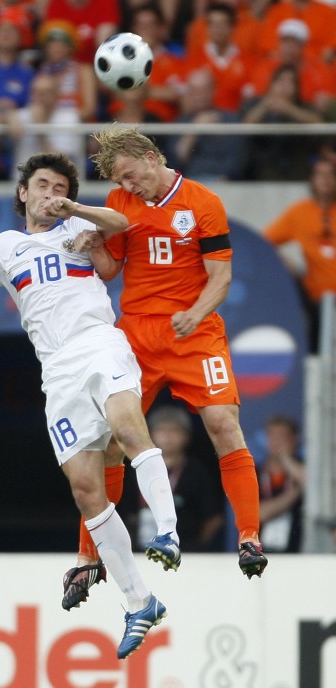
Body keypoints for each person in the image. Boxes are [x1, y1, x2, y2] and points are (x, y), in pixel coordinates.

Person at [0, 151, 177, 660]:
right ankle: (140, 601)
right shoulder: (6, 247)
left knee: (128, 429)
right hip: (57, 369)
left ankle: (167, 532)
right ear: (23, 193)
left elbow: (120, 222)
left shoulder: (78, 228)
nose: (51, 194)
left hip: (98, 342)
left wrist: (76, 210)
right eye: (43, 186)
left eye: (60, 188)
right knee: (86, 488)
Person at [69, 125, 268, 603]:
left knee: (224, 425)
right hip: (137, 334)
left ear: (150, 156)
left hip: (193, 332)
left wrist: (195, 313)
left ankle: (249, 536)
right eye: (121, 180)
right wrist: (94, 245)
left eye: (131, 175)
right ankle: (89, 556)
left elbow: (220, 277)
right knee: (111, 442)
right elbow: (112, 270)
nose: (129, 185)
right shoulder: (119, 202)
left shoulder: (202, 202)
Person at [263, 157, 336, 352]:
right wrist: (284, 262)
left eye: (330, 174)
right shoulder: (300, 212)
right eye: (319, 174)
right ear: (312, 179)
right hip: (316, 295)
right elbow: (265, 242)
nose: (325, 179)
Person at [128, 405, 225, 553]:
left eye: (174, 430)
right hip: (138, 551)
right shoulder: (137, 468)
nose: (167, 436)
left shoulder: (197, 472)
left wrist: (196, 547)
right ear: (150, 434)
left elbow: (214, 517)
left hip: (187, 552)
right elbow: (126, 512)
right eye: (161, 430)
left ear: (186, 436)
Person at [240, 63, 323, 181]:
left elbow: (318, 122)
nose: (285, 86)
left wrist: (288, 108)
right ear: (271, 84)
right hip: (261, 170)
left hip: (297, 168)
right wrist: (266, 105)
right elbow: (245, 125)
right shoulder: (254, 104)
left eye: (290, 82)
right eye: (280, 81)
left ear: (297, 87)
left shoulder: (304, 107)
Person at [166, 67, 249, 182]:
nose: (199, 95)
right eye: (194, 90)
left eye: (204, 90)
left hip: (225, 183)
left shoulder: (230, 120)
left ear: (213, 91)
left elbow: (238, 160)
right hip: (190, 183)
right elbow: (176, 161)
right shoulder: (180, 123)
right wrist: (194, 129)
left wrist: (225, 180)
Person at [258, 414, 305, 553]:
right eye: (272, 436)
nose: (277, 441)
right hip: (259, 554)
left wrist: (286, 459)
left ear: (295, 439)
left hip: (299, 554)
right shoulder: (255, 472)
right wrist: (296, 492)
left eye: (282, 436)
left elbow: (312, 486)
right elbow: (259, 514)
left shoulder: (304, 469)